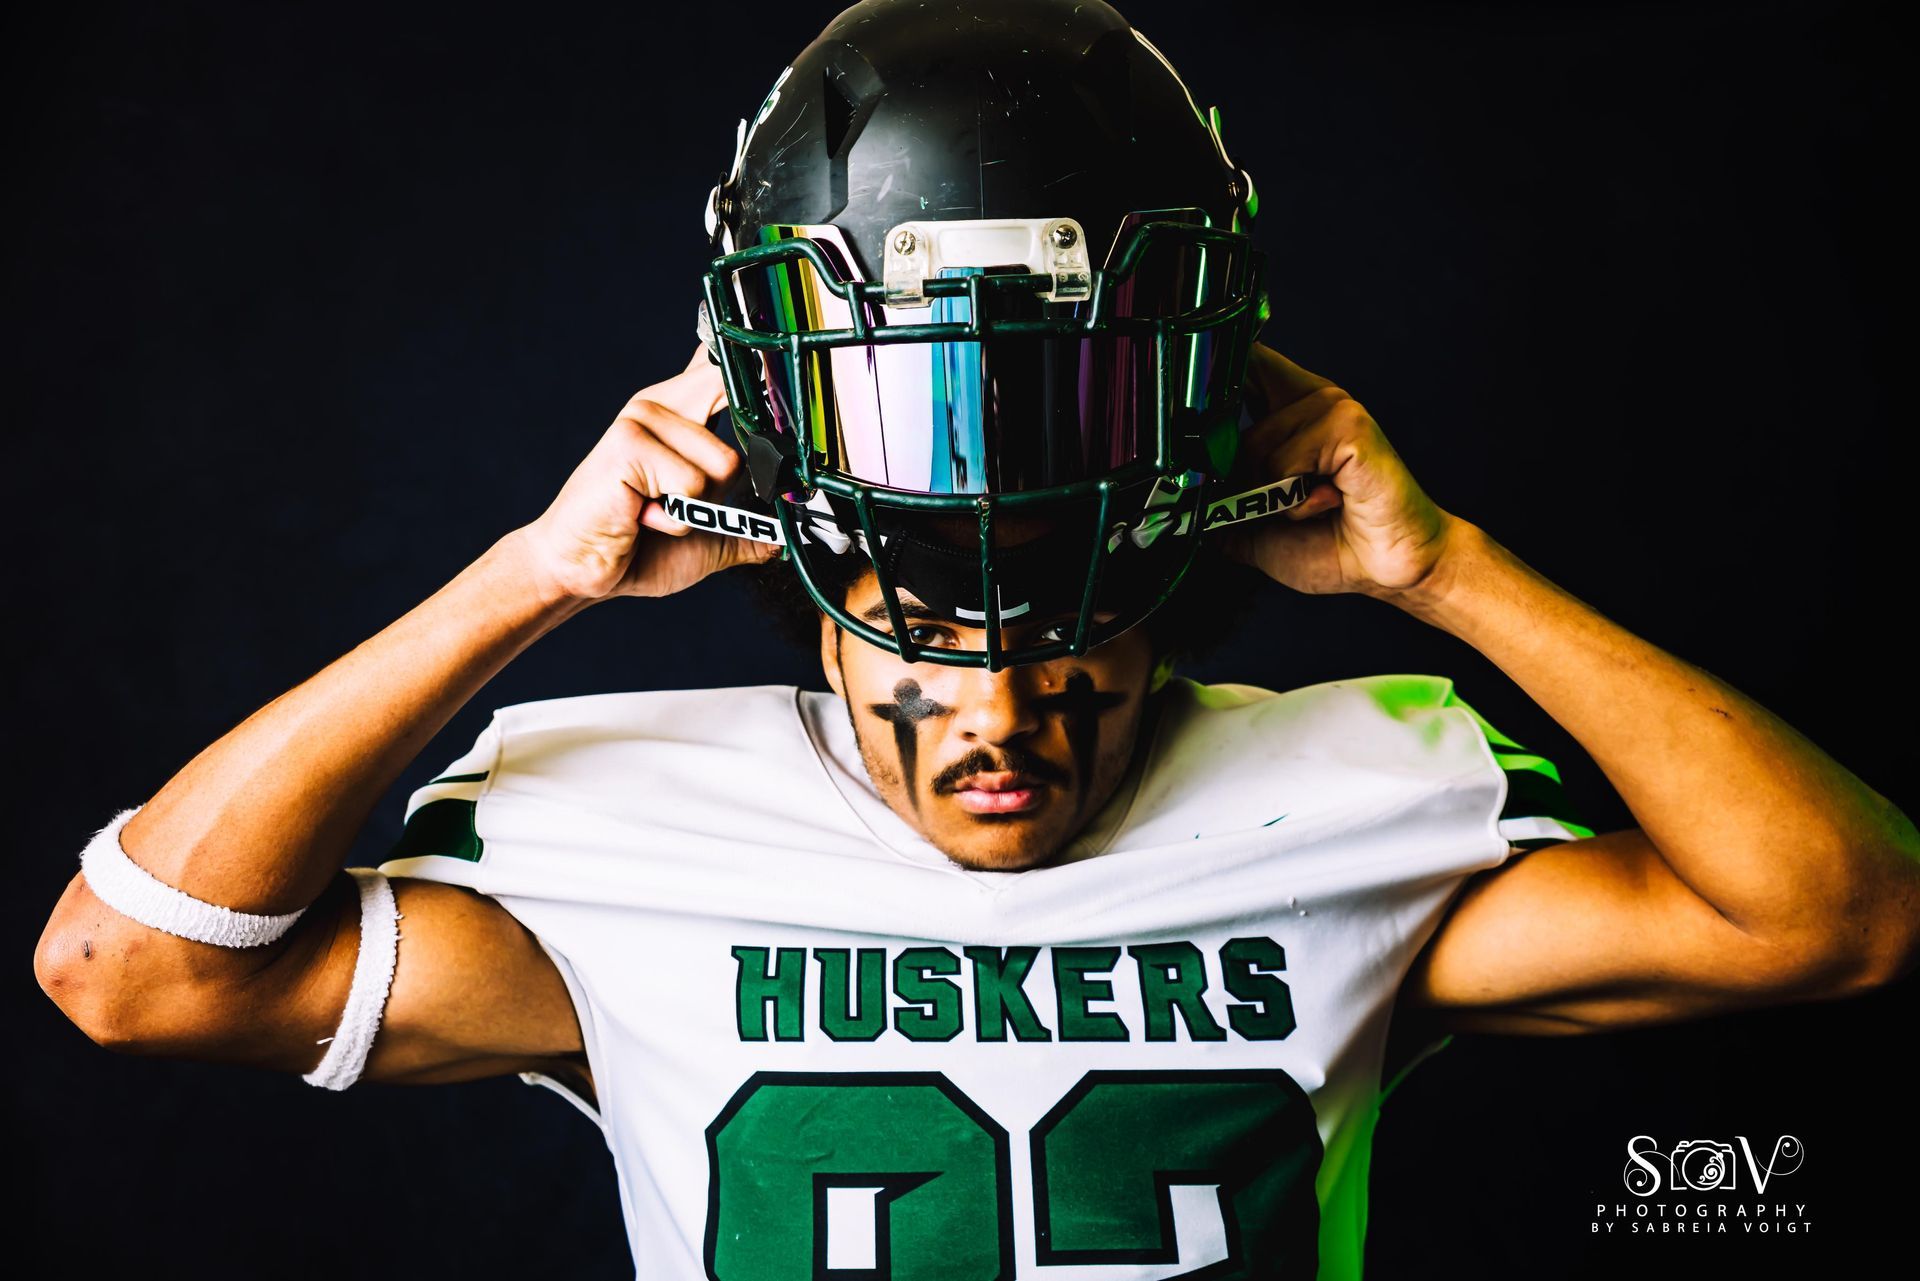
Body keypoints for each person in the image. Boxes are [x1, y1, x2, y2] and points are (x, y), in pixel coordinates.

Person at [33, 1, 1918, 1276]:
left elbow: (1839, 914)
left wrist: (1450, 573)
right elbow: (128, 969)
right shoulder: (620, 843)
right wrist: (528, 575)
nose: (1001, 709)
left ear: (1172, 596)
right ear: (811, 611)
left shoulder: (1352, 797)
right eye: (930, 632)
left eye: (1070, 634)